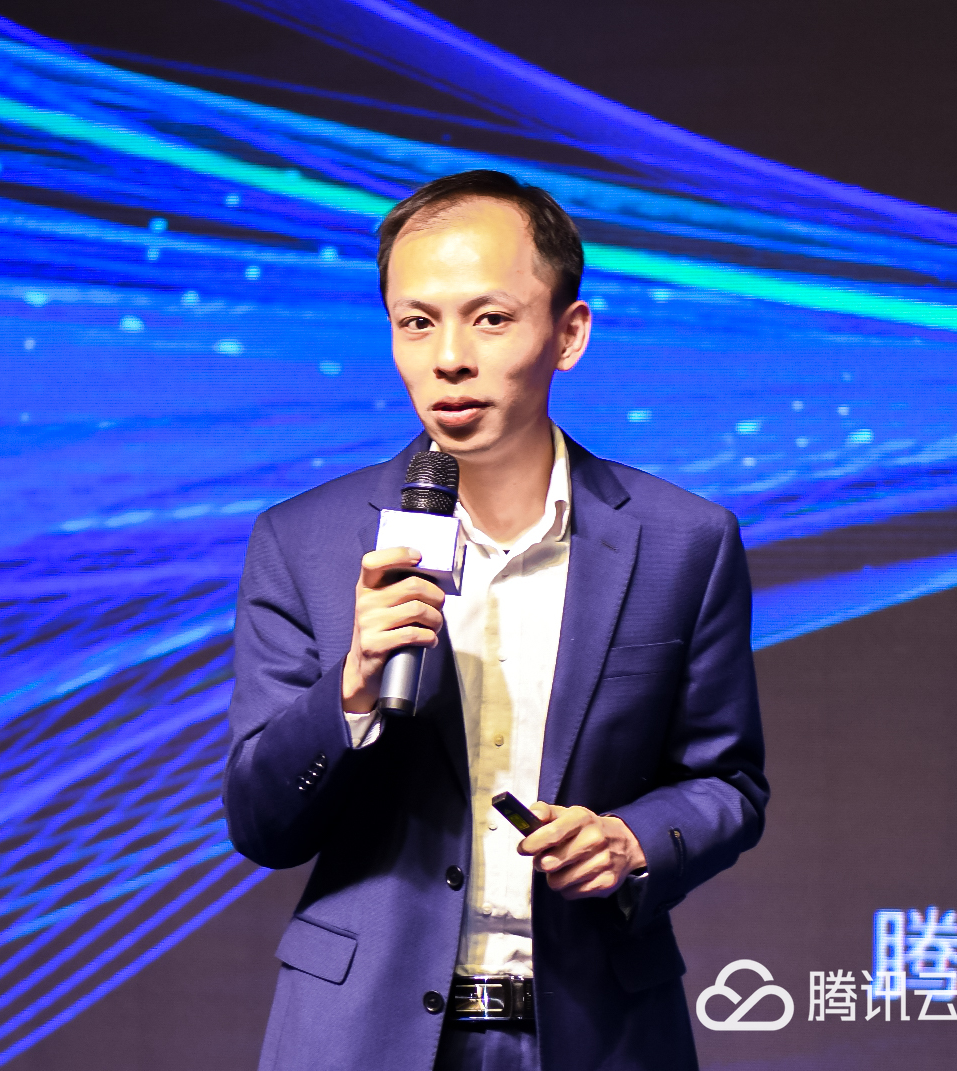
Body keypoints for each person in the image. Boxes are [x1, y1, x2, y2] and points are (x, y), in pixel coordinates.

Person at [224, 169, 767, 1071]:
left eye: (488, 318)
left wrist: (631, 840)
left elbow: (727, 784)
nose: (448, 358)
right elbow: (261, 823)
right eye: (416, 322)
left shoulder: (684, 539)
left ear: (568, 333)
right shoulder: (302, 539)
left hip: (597, 1033)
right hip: (362, 1035)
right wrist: (349, 692)